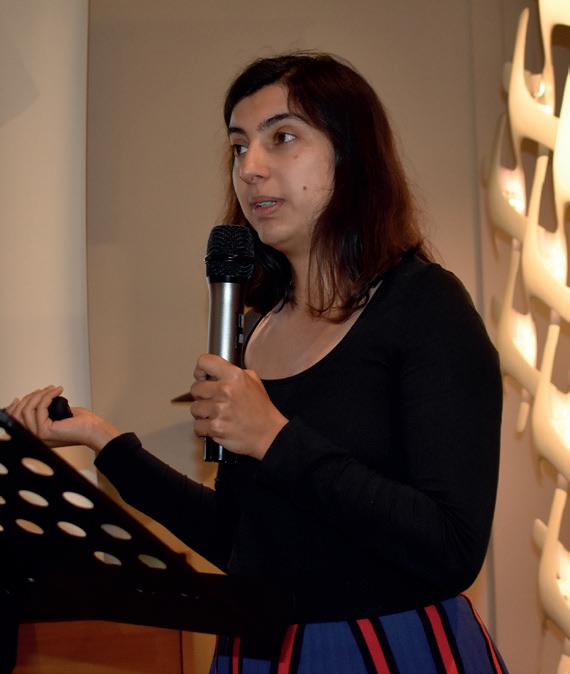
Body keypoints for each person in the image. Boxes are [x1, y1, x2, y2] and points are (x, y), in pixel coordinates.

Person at [7, 52, 508, 673]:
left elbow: (452, 547)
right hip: (262, 648)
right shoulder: (253, 327)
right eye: (239, 147)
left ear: (351, 156)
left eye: (283, 137)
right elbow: (240, 541)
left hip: (385, 648)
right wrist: (101, 440)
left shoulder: (425, 306)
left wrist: (274, 437)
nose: (250, 167)